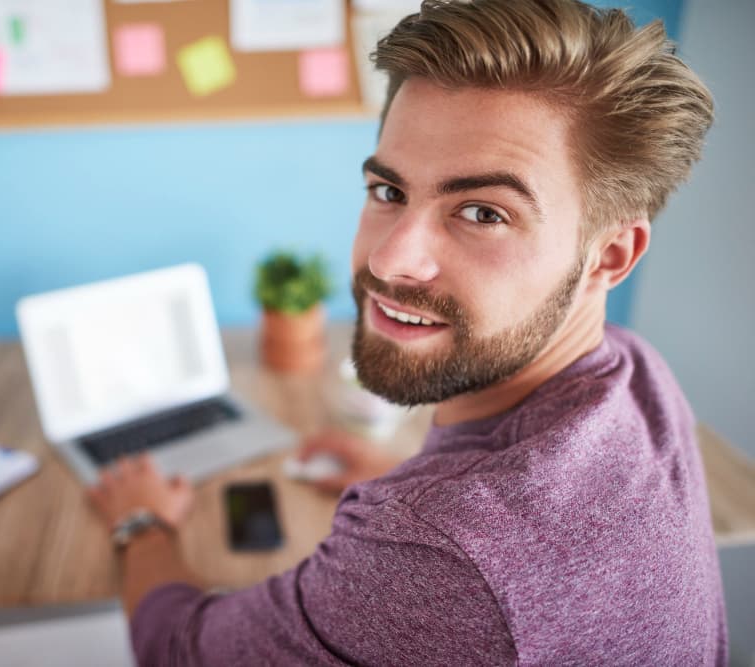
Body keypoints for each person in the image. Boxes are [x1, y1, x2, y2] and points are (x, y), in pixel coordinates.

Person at [86, 0, 727, 663]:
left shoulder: (436, 553)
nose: (390, 259)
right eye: (389, 192)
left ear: (610, 256)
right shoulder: (635, 372)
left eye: (482, 212)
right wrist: (410, 473)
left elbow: (180, 649)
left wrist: (144, 523)